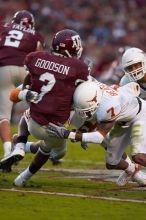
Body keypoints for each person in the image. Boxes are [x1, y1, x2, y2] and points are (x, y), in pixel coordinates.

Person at [0, 28, 89, 185]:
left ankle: (20, 146)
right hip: (59, 128)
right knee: (53, 151)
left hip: (35, 123)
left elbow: (17, 93)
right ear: (72, 48)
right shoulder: (78, 67)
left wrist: (25, 93)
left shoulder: (35, 58)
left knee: (27, 115)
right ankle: (22, 177)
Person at [46, 80, 146, 187]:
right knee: (111, 163)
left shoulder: (108, 107)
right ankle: (132, 169)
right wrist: (82, 132)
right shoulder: (91, 89)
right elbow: (93, 117)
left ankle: (134, 169)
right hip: (123, 120)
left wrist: (68, 134)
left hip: (140, 115)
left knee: (138, 156)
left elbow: (99, 137)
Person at [0, 10, 44, 165]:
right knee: (39, 106)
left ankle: (7, 150)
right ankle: (49, 143)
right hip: (26, 71)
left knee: (3, 115)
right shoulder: (36, 34)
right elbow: (40, 57)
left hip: (5, 68)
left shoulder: (4, 27)